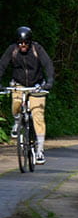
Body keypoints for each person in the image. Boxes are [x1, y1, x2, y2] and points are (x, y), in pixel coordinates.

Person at [0, 26, 54, 164]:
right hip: (19, 84)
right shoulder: (12, 50)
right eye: (20, 43)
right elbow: (2, 65)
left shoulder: (37, 49)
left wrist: (49, 81)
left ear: (29, 42)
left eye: (25, 43)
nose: (22, 45)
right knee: (16, 106)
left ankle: (40, 150)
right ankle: (17, 122)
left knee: (38, 115)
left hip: (36, 85)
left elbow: (48, 64)